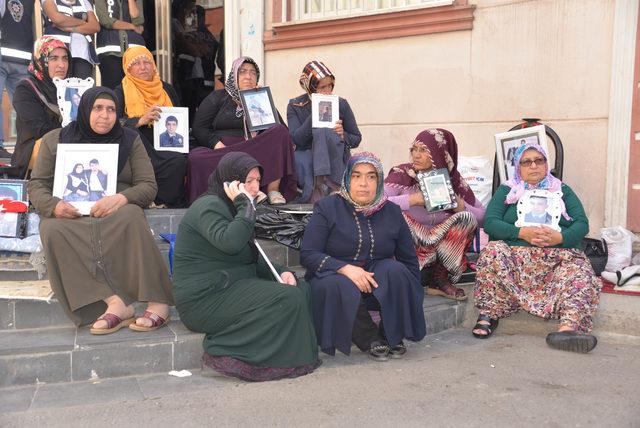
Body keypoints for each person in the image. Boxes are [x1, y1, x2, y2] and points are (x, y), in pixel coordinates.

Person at [29, 86, 173, 332]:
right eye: (97, 108)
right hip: (71, 211)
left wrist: (121, 198)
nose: (105, 115)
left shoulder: (129, 139)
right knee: (51, 228)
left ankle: (158, 300)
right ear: (85, 109)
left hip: (116, 210)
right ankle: (115, 303)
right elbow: (37, 185)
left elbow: (148, 186)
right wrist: (54, 206)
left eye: (111, 109)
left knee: (131, 215)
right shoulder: (56, 140)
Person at [172, 152, 321, 381]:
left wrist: (283, 272)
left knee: (300, 289)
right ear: (230, 182)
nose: (254, 188)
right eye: (248, 181)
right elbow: (230, 243)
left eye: (257, 181)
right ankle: (223, 349)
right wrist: (245, 206)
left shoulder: (236, 208)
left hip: (231, 286)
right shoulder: (209, 206)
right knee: (287, 298)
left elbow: (251, 255)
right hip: (204, 299)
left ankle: (287, 356)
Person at [472, 142, 601, 353]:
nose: (533, 166)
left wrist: (560, 237)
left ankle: (567, 329)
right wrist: (522, 233)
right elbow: (491, 222)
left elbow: (581, 223)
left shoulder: (561, 189)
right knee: (492, 252)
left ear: (546, 164)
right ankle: (489, 313)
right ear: (518, 167)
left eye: (539, 161)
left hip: (556, 257)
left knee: (579, 269)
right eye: (526, 162)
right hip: (516, 259)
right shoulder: (508, 190)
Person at [300, 152, 426, 360]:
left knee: (397, 270)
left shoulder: (392, 211)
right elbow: (308, 254)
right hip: (331, 278)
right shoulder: (327, 207)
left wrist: (411, 293)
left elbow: (409, 260)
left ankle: (390, 334)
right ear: (347, 178)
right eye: (356, 176)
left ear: (379, 181)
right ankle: (370, 339)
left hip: (374, 285)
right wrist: (345, 268)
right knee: (339, 284)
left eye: (371, 176)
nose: (363, 184)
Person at [384, 129, 485, 301]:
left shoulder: (455, 182)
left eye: (423, 150)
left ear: (441, 153)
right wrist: (412, 200)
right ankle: (404, 276)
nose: (416, 155)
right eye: (413, 149)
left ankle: (438, 278)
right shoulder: (402, 175)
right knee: (396, 215)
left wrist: (461, 207)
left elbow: (482, 217)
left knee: (466, 218)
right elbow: (378, 202)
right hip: (412, 240)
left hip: (440, 242)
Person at [190, 56, 297, 205]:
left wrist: (262, 101)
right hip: (225, 150)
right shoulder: (218, 97)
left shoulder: (261, 99)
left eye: (253, 73)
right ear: (234, 75)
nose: (248, 76)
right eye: (243, 72)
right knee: (196, 157)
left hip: (254, 149)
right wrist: (216, 144)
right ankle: (249, 191)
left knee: (278, 131)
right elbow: (199, 127)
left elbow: (281, 132)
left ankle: (272, 190)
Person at [114, 46, 187, 207]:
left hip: (167, 141)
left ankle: (166, 203)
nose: (143, 67)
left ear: (153, 65)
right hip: (140, 143)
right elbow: (114, 124)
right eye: (136, 63)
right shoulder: (121, 92)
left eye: (147, 62)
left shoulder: (166, 89)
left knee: (178, 160)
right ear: (128, 68)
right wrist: (140, 120)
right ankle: (148, 201)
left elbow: (180, 117)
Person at [287, 61, 361, 203]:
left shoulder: (341, 103)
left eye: (330, 86)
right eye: (322, 87)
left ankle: (330, 184)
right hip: (308, 155)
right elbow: (296, 139)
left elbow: (356, 138)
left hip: (335, 154)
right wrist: (315, 112)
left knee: (326, 132)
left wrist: (342, 134)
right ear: (310, 88)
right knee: (320, 131)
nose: (327, 91)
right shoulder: (294, 105)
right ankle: (322, 184)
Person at [11, 36, 69, 178]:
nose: (61, 65)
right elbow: (40, 129)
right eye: (54, 58)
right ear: (40, 60)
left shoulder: (71, 87)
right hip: (34, 151)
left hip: (67, 145)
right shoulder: (25, 88)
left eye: (65, 58)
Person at [0, 0, 35, 158]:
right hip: (21, 57)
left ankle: (26, 146)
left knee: (24, 107)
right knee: (24, 106)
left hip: (21, 59)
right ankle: (26, 146)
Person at [41, 0, 100, 79]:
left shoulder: (84, 2)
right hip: (57, 54)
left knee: (82, 88)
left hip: (82, 54)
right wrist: (83, 23)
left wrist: (71, 28)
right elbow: (57, 18)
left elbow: (95, 26)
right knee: (58, 88)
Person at [94, 0, 145, 89]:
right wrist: (132, 26)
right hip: (110, 52)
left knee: (136, 90)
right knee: (113, 90)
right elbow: (106, 20)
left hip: (134, 51)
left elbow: (138, 20)